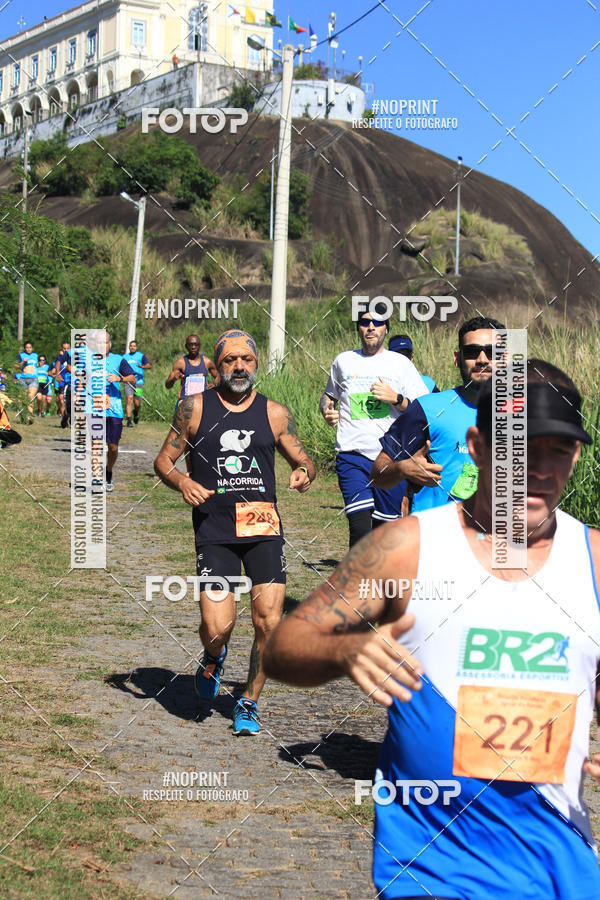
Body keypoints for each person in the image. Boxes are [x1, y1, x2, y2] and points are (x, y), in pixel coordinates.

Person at [264, 358, 600, 900]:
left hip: (560, 869)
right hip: (432, 869)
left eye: (556, 452)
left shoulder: (595, 561)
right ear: (477, 443)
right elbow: (282, 648)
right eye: (518, 448)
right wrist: (344, 648)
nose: (536, 470)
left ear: (577, 454)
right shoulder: (407, 547)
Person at [154, 329, 316, 736]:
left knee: (269, 623)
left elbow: (306, 461)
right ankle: (213, 656)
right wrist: (182, 483)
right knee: (217, 627)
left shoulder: (274, 413)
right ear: (217, 365)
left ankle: (248, 701)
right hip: (216, 529)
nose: (239, 366)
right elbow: (163, 461)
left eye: (246, 359)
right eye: (230, 360)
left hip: (264, 528)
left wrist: (303, 472)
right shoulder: (192, 408)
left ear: (256, 364)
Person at [371, 316, 505, 512]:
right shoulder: (428, 409)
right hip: (436, 536)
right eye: (472, 352)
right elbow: (377, 474)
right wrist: (402, 469)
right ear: (457, 358)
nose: (482, 359)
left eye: (493, 352)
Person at [320, 312, 428, 547]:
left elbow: (423, 410)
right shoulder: (343, 361)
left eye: (377, 323)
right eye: (365, 323)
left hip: (391, 457)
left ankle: (379, 581)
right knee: (359, 526)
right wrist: (326, 410)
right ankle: (355, 582)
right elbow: (328, 396)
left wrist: (396, 399)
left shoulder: (401, 364)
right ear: (358, 328)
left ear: (386, 329)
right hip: (352, 454)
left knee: (384, 531)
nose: (371, 327)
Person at [75, 331, 136, 492]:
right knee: (96, 443)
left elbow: (132, 378)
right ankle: (96, 477)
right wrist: (78, 393)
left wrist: (119, 379)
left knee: (113, 447)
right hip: (93, 407)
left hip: (113, 409)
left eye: (105, 342)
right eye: (100, 343)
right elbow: (83, 378)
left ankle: (108, 471)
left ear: (110, 344)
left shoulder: (119, 360)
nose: (103, 346)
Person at [165, 334, 218, 403]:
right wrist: (174, 379)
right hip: (185, 401)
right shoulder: (180, 363)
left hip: (202, 401)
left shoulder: (207, 362)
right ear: (186, 346)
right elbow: (168, 386)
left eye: (196, 344)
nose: (193, 347)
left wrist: (214, 384)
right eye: (190, 344)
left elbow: (219, 377)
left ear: (200, 345)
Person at [123, 340, 151, 427]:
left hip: (138, 382)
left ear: (136, 347)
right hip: (128, 381)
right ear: (129, 347)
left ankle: (136, 413)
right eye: (131, 346)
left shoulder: (141, 356)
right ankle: (129, 420)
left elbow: (149, 365)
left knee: (137, 403)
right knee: (129, 399)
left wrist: (142, 366)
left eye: (134, 346)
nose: (132, 347)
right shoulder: (124, 357)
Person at [14, 341, 38, 418]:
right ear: (25, 348)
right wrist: (22, 362)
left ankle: (29, 417)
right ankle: (23, 415)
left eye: (30, 347)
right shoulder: (21, 355)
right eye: (27, 347)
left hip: (33, 379)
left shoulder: (36, 355)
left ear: (32, 348)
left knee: (31, 397)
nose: (28, 349)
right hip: (23, 379)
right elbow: (15, 366)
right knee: (23, 398)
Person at [53, 341, 71, 425]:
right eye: (64, 348)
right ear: (62, 349)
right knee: (61, 400)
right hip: (62, 382)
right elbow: (57, 363)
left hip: (71, 382)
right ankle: (64, 415)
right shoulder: (60, 358)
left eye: (68, 348)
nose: (66, 350)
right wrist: (57, 374)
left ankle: (67, 416)